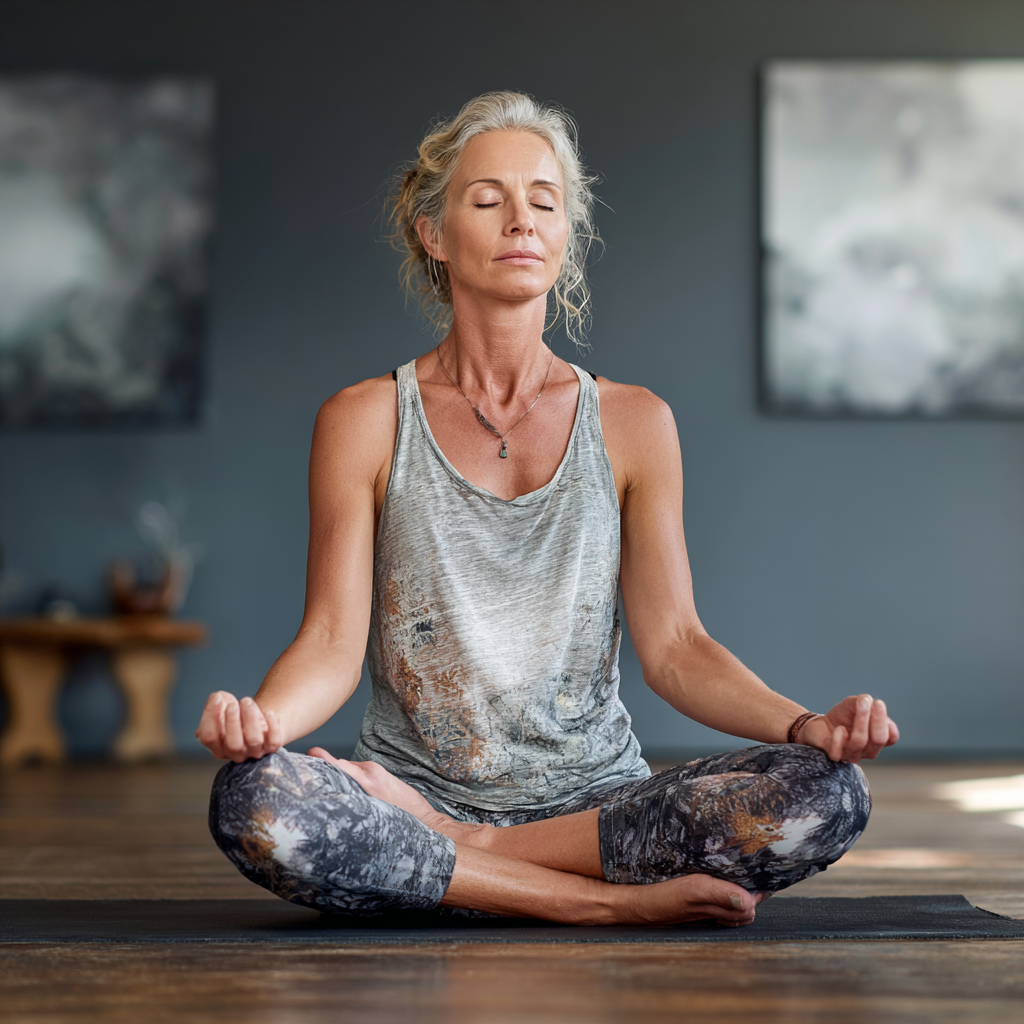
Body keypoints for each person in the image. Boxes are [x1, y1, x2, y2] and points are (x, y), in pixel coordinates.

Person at [197, 91, 898, 927]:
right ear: (434, 235)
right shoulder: (365, 420)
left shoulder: (636, 422)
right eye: (486, 200)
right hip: (408, 794)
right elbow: (328, 643)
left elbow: (676, 648)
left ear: (566, 234)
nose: (520, 220)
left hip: (593, 812)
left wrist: (806, 725)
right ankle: (599, 906)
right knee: (254, 800)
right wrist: (261, 724)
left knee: (829, 792)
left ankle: (464, 860)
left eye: (543, 201)